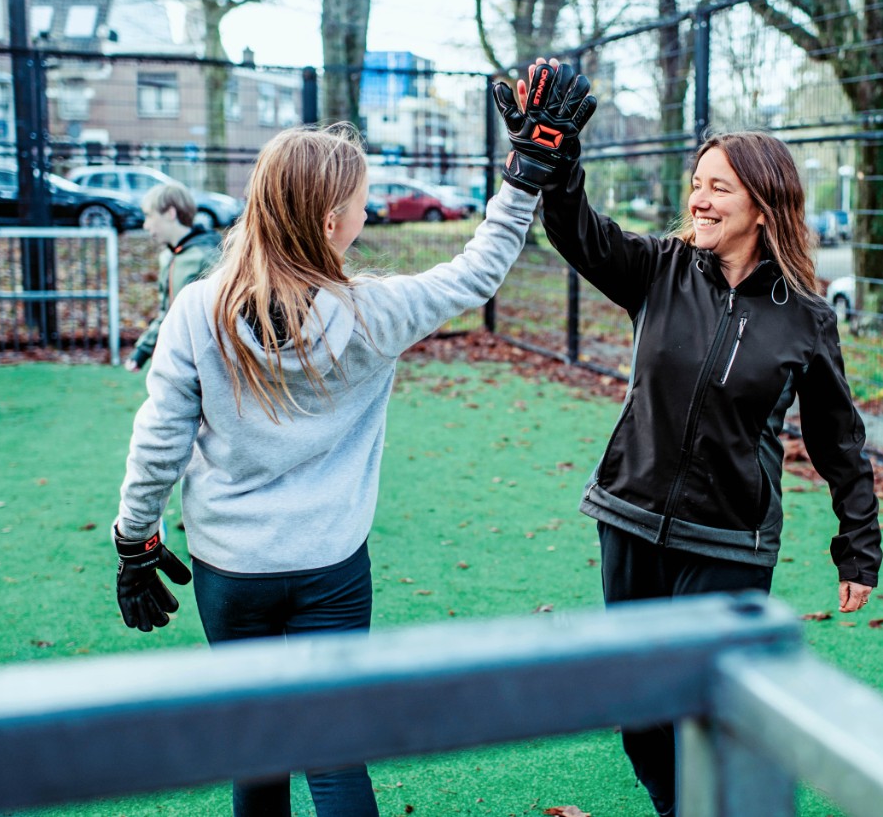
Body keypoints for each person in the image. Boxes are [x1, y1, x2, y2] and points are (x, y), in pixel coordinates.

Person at [108, 110, 574, 815]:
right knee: (332, 752)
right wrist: (523, 176)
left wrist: (134, 539)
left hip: (230, 569)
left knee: (256, 748)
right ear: (332, 222)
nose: (367, 209)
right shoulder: (374, 311)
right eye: (360, 200)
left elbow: (158, 443)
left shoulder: (196, 310)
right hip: (330, 566)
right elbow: (480, 268)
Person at [494, 60, 882, 817]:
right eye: (698, 183)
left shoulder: (805, 317)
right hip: (631, 517)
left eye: (719, 187)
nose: (699, 199)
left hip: (729, 539)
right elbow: (578, 231)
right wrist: (560, 166)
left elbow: (840, 440)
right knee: (640, 707)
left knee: (712, 705)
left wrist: (857, 545)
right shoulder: (660, 269)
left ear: (763, 206)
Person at [125, 182, 222, 372]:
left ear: (170, 213)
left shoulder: (209, 256)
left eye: (149, 215)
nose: (145, 225)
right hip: (177, 359)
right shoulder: (169, 257)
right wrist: (142, 351)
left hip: (206, 363)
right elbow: (167, 313)